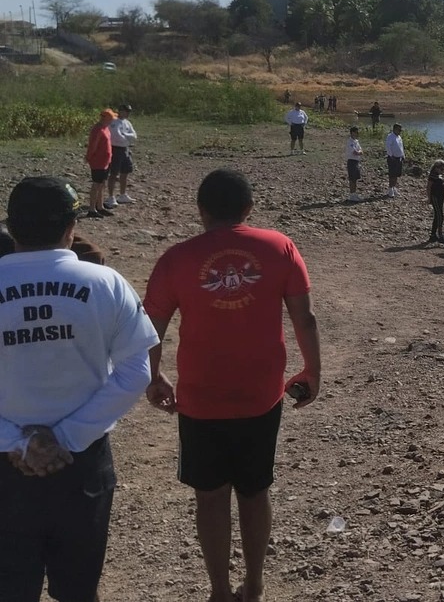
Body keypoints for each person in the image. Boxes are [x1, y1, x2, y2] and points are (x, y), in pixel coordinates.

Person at [143, 169, 322, 602]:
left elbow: (151, 327)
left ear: (201, 211)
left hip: (200, 399)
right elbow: (304, 317)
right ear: (249, 208)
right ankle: (254, 586)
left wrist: (153, 375)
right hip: (262, 396)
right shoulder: (280, 247)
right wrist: (312, 371)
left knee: (210, 498)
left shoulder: (176, 258)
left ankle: (221, 592)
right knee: (255, 492)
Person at [0, 176, 159, 602]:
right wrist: (66, 437)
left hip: (5, 467)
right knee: (78, 590)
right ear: (71, 228)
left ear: (11, 227)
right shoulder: (106, 283)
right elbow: (135, 372)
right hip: (81, 463)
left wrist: (17, 441)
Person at [105, 102, 138, 209]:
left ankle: (122, 194)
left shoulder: (127, 123)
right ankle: (111, 196)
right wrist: (127, 138)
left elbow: (134, 136)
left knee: (125, 172)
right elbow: (117, 136)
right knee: (114, 173)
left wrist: (126, 136)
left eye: (129, 112)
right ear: (120, 111)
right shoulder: (114, 122)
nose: (128, 114)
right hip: (116, 149)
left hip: (125, 149)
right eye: (126, 111)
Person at [86, 109, 116, 218]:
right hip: (98, 161)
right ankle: (92, 209)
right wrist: (89, 157)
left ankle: (100, 206)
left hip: (106, 161)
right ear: (105, 118)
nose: (112, 121)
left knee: (102, 183)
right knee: (96, 184)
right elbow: (93, 146)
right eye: (111, 118)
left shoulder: (105, 128)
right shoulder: (97, 129)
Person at [427, 159, 444, 244]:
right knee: (440, 215)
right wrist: (429, 198)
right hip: (435, 197)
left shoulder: (438, 176)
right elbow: (428, 187)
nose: (443, 171)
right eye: (441, 169)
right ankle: (439, 234)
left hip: (440, 198)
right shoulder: (432, 176)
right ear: (436, 168)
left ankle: (433, 234)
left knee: (437, 215)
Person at [385, 124, 405, 199]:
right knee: (392, 174)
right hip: (392, 158)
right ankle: (390, 189)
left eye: (400, 130)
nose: (400, 131)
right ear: (395, 129)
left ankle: (394, 187)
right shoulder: (390, 137)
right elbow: (388, 146)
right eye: (399, 130)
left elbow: (401, 147)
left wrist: (403, 155)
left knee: (396, 174)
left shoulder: (399, 137)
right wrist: (391, 155)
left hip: (399, 158)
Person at [345, 126, 364, 203]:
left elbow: (361, 151)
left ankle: (354, 193)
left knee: (355, 178)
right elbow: (355, 152)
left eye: (357, 132)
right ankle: (352, 194)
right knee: (352, 178)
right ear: (352, 132)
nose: (357, 133)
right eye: (356, 132)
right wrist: (359, 152)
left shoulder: (356, 141)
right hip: (351, 161)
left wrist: (359, 152)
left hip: (356, 161)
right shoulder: (350, 142)